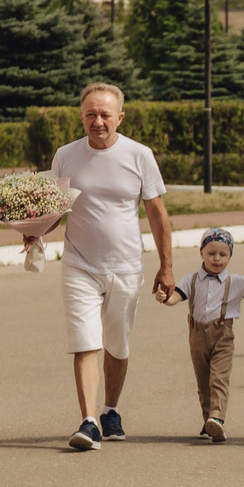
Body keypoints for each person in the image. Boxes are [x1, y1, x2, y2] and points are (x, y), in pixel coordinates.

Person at [51, 82, 175, 448]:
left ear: (119, 118)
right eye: (90, 114)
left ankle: (110, 409)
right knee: (85, 340)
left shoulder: (139, 156)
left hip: (125, 266)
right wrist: (33, 231)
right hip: (79, 264)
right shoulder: (66, 155)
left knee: (117, 343)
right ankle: (88, 421)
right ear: (80, 116)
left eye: (105, 115)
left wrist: (166, 266)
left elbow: (157, 214)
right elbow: (55, 207)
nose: (98, 121)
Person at [166, 227, 244, 443]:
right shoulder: (192, 279)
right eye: (211, 253)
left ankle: (217, 417)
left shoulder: (234, 282)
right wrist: (164, 297)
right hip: (196, 335)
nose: (217, 259)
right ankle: (209, 422)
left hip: (222, 335)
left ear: (230, 256)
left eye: (223, 255)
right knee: (203, 381)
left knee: (219, 378)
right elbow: (175, 298)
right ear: (201, 254)